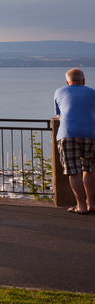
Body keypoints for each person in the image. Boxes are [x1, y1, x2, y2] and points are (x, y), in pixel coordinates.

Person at [53, 68, 95, 214]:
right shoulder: (93, 92)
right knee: (89, 170)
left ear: (67, 82)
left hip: (67, 134)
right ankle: (91, 203)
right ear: (83, 81)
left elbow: (59, 116)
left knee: (74, 172)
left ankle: (81, 206)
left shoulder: (59, 92)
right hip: (91, 134)